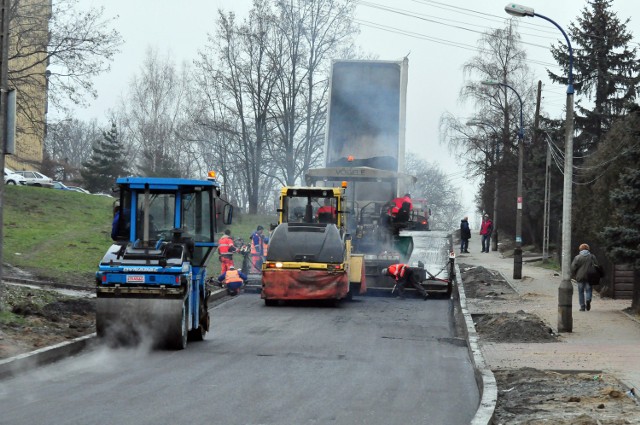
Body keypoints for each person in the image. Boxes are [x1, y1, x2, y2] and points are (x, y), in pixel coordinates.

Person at [571, 243, 601, 312]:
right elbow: (596, 265)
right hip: (590, 276)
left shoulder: (577, 257)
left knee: (581, 292)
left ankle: (582, 307)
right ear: (588, 249)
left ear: (580, 249)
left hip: (580, 277)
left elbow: (573, 267)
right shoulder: (592, 256)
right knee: (589, 290)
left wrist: (574, 274)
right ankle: (588, 299)